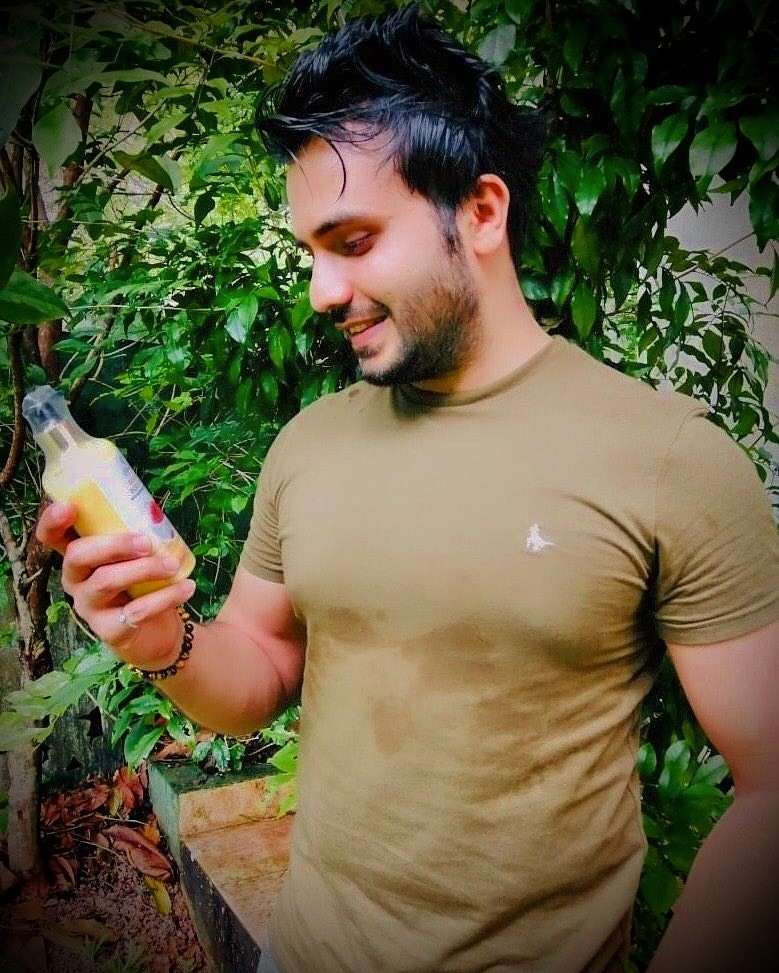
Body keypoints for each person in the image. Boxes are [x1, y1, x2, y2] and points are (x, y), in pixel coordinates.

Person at [37, 6, 778, 973]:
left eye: (352, 241)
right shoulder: (310, 444)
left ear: (480, 212)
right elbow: (256, 670)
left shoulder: (666, 457)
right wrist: (158, 642)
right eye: (311, 252)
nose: (320, 290)